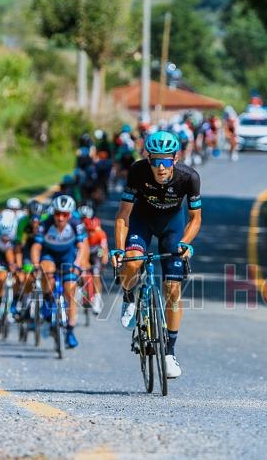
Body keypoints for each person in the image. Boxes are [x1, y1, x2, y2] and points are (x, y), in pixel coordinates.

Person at [109, 131, 202, 379]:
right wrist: (119, 248)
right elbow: (123, 214)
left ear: (175, 158)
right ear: (148, 159)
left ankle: (170, 352)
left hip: (172, 226)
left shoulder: (189, 177)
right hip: (142, 221)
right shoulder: (137, 171)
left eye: (166, 160)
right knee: (133, 260)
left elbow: (195, 219)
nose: (160, 167)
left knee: (172, 289)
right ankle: (129, 296)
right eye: (155, 160)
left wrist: (185, 242)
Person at [30, 195, 89, 349]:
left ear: (70, 214)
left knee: (70, 290)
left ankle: (70, 330)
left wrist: (77, 265)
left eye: (65, 214)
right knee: (46, 270)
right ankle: (48, 299)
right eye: (57, 214)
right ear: (53, 212)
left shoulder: (76, 224)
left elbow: (82, 247)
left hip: (67, 257)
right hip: (49, 255)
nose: (61, 218)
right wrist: (35, 265)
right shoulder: (45, 224)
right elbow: (36, 247)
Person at [0, 209, 22, 322]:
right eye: (3, 235)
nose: (5, 237)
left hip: (13, 254)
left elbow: (18, 250)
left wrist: (18, 266)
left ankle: (14, 305)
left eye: (7, 234)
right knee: (0, 278)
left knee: (19, 278)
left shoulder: (17, 233)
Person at [82, 215, 108, 315]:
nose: (91, 233)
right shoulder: (83, 235)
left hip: (97, 253)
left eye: (93, 230)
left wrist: (103, 262)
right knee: (82, 270)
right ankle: (83, 291)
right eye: (89, 230)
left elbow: (104, 251)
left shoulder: (101, 234)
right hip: (86, 252)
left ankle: (97, 300)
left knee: (96, 274)